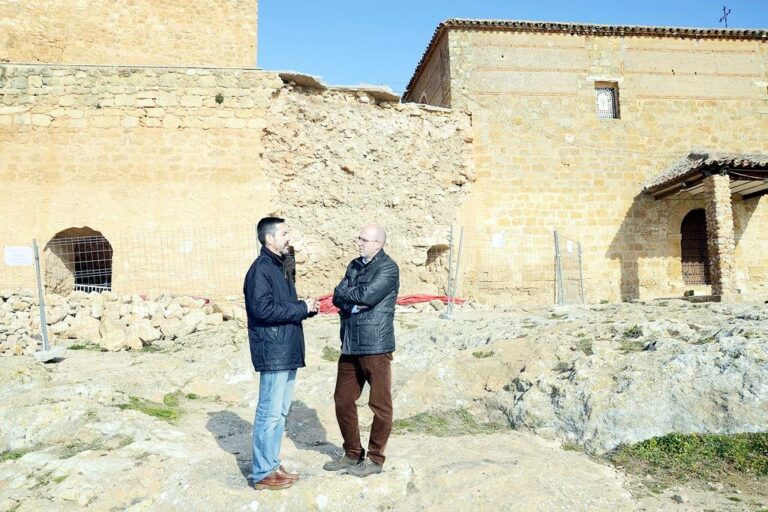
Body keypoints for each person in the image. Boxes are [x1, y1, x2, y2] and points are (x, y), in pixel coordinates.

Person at [244, 217, 318, 491]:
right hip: (273, 351)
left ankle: (271, 464)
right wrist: (300, 307)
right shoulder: (261, 270)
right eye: (284, 233)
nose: (288, 238)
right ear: (269, 239)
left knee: (280, 411)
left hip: (285, 349)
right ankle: (263, 472)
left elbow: (282, 307)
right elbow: (261, 310)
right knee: (270, 413)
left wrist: (306, 308)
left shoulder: (279, 267)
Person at [324, 224, 399, 477]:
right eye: (359, 238)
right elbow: (337, 295)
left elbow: (368, 296)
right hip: (350, 342)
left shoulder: (388, 268)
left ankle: (375, 458)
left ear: (379, 244)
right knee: (342, 398)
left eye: (364, 240)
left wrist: (351, 297)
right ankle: (352, 453)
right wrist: (351, 299)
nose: (359, 243)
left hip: (375, 345)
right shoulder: (354, 265)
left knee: (380, 404)